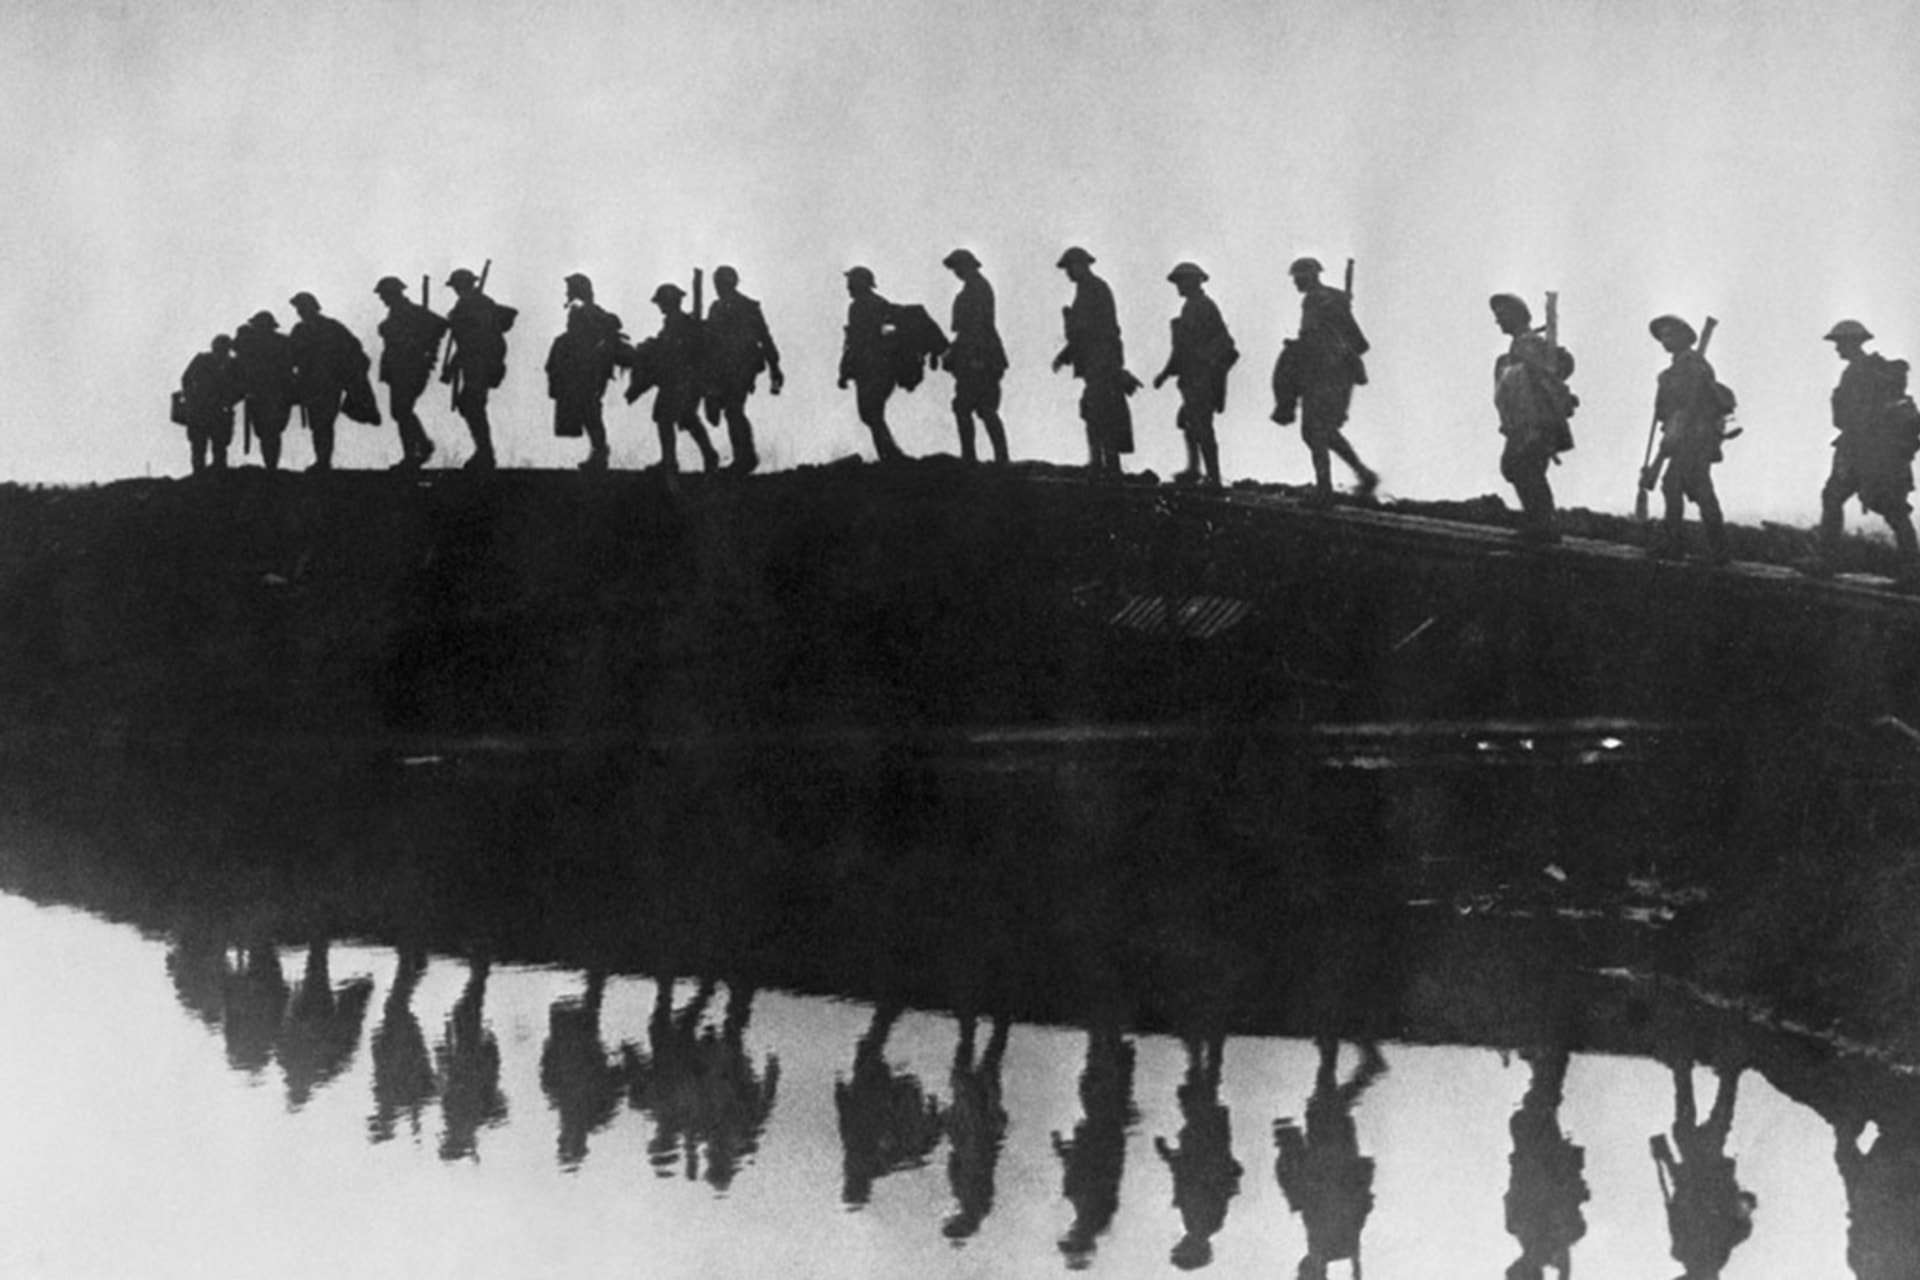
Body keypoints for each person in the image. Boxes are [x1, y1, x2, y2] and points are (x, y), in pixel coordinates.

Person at [1812, 319, 1920, 577]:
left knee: (1842, 499)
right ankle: (1913, 570)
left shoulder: (1857, 373)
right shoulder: (1875, 371)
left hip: (1862, 451)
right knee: (1891, 508)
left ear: (1852, 343)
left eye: (1840, 343)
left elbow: (1847, 418)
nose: (1837, 348)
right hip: (1877, 451)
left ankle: (1827, 561)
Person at [1273, 257, 1377, 503]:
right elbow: (1357, 343)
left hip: (1326, 374)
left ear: (1310, 276)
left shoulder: (1317, 300)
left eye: (1298, 277)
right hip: (1332, 374)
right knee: (1324, 431)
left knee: (1313, 430)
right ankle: (1363, 475)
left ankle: (1324, 490)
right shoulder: (1328, 299)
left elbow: (1349, 342)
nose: (1295, 282)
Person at [1642, 314, 1732, 563]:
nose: (1665, 340)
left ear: (1684, 337)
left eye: (1670, 334)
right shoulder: (1678, 368)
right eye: (1663, 336)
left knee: (1689, 487)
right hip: (1683, 436)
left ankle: (1698, 547)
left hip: (1694, 437)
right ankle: (1698, 546)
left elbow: (1692, 405)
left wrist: (1676, 428)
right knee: (1685, 486)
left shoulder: (1692, 366)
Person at [1490, 294, 1577, 544]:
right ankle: (1540, 523)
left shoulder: (1530, 345)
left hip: (1535, 421)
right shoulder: (1520, 346)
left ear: (1517, 315)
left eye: (1502, 315)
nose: (1498, 321)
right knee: (1518, 467)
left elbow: (1547, 376)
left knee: (1524, 467)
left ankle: (1543, 526)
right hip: (1523, 422)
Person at [1052, 246, 1136, 477]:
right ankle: (1101, 463)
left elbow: (1090, 330)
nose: (1068, 272)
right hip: (1097, 361)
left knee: (1100, 411)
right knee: (1094, 410)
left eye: (1070, 267)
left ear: (1081, 265)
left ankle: (1107, 465)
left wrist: (1066, 350)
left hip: (1102, 361)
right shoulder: (1088, 289)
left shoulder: (1094, 289)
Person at [1152, 262, 1238, 488]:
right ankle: (1195, 470)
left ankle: (1213, 477)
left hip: (1201, 378)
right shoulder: (1192, 306)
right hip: (1193, 377)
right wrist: (1167, 373)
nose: (1178, 286)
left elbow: (1219, 344)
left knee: (1201, 426)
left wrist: (1171, 372)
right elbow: (1182, 349)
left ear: (1193, 282)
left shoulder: (1202, 307)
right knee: (1190, 423)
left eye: (1181, 281)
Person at [626, 283, 720, 476]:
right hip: (678, 380)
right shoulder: (675, 322)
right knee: (681, 418)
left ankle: (675, 461)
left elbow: (678, 351)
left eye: (662, 302)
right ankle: (696, 456)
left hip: (681, 380)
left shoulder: (681, 323)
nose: (660, 306)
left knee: (672, 418)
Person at [703, 265, 783, 474]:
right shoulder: (718, 308)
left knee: (733, 410)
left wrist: (775, 367)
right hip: (723, 368)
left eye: (721, 283)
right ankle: (744, 457)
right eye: (717, 283)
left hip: (741, 367)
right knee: (728, 411)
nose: (718, 287)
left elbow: (764, 337)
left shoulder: (747, 307)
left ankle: (745, 458)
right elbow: (709, 339)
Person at [545, 273, 624, 472]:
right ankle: (599, 452)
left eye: (570, 289)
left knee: (590, 412)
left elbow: (589, 336)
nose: (567, 293)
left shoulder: (585, 311)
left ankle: (600, 453)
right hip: (585, 371)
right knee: (589, 413)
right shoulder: (586, 310)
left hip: (587, 371)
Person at [442, 267, 516, 471]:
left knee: (471, 405)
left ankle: (485, 453)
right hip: (475, 363)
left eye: (457, 286)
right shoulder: (469, 304)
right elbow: (465, 342)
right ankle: (484, 451)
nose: (456, 290)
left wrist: (453, 366)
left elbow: (475, 340)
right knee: (470, 405)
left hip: (480, 363)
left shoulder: (478, 304)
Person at [941, 248, 1010, 465]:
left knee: (975, 408)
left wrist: (975, 358)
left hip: (980, 357)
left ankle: (976, 458)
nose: (956, 271)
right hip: (978, 356)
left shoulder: (977, 289)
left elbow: (977, 327)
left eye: (957, 267)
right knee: (977, 408)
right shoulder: (975, 287)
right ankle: (993, 458)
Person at [373, 276, 448, 471]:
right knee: (400, 411)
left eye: (384, 294)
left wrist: (422, 346)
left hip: (410, 369)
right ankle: (417, 449)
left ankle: (416, 451)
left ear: (393, 293)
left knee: (401, 411)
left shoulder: (411, 311)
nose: (382, 298)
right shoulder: (398, 313)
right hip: (398, 369)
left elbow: (440, 326)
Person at [288, 291, 369, 472]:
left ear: (312, 307)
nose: (300, 311)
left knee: (323, 423)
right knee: (319, 424)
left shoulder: (330, 328)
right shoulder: (302, 330)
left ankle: (323, 461)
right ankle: (322, 460)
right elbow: (290, 355)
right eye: (298, 308)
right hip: (312, 384)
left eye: (302, 307)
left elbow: (354, 348)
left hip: (329, 383)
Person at [838, 265, 911, 462]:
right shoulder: (880, 304)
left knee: (870, 412)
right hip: (880, 368)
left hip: (872, 368)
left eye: (851, 283)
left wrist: (845, 370)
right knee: (872, 413)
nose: (848, 287)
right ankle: (890, 454)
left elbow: (854, 341)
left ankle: (890, 455)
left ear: (860, 283)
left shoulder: (859, 307)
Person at [231, 310, 295, 471]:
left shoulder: (254, 343)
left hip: (268, 393)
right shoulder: (281, 342)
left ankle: (271, 466)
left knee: (268, 431)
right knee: (270, 431)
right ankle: (271, 466)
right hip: (272, 394)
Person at [176, 333, 239, 474]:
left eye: (223, 350)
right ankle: (200, 475)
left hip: (218, 412)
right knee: (199, 447)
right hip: (201, 411)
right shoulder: (202, 360)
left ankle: (216, 474)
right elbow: (186, 379)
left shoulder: (231, 365)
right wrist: (192, 397)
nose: (221, 353)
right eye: (219, 349)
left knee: (218, 447)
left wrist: (229, 401)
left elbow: (239, 387)